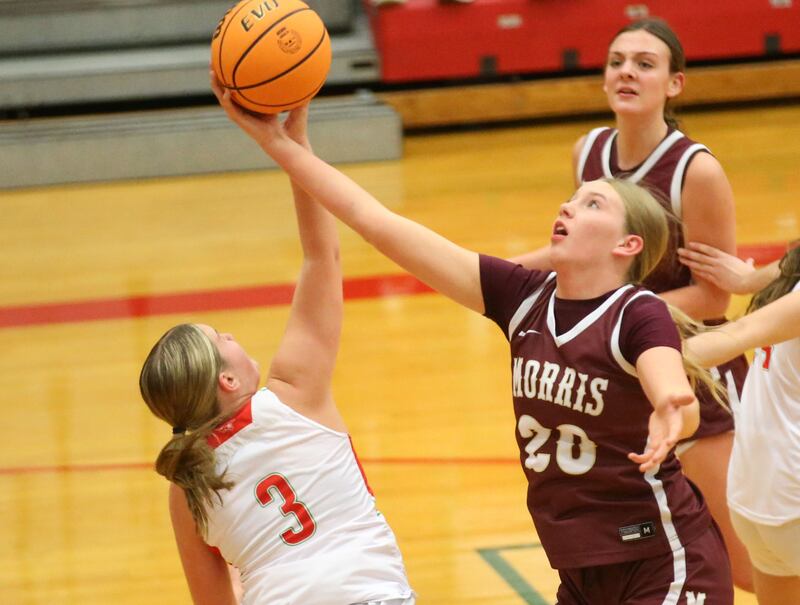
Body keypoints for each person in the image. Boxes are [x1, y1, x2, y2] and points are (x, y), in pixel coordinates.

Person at [213, 76, 736, 603]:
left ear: (628, 244)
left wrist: (674, 408)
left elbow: (668, 381)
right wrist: (281, 143)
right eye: (571, 200)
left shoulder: (638, 312)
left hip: (663, 563)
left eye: (592, 205)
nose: (569, 209)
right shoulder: (524, 298)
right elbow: (375, 222)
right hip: (581, 571)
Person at [511, 17, 754, 591]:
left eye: (645, 63)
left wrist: (621, 322)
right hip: (617, 378)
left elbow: (713, 294)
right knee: (662, 541)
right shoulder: (587, 150)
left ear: (674, 85)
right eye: (617, 60)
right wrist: (488, 275)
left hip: (695, 374)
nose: (627, 71)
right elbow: (568, 253)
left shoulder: (696, 169)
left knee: (748, 564)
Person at [138, 104, 414, 605]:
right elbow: (321, 256)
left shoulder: (186, 486)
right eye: (223, 337)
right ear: (226, 381)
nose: (232, 335)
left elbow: (215, 602)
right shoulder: (291, 396)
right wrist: (295, 143)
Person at [682, 242, 800, 605]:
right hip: (790, 499)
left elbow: (731, 338)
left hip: (756, 497)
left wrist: (611, 349)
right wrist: (749, 278)